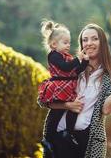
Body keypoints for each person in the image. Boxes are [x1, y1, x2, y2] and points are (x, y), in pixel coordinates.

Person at [38, 23, 111, 158]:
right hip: (58, 138)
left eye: (94, 39)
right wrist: (68, 105)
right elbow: (43, 101)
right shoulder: (71, 68)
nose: (89, 43)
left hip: (87, 140)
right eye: (85, 40)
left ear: (102, 43)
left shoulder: (108, 77)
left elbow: (107, 109)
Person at [38, 20, 89, 154]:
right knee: (56, 113)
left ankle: (69, 132)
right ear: (54, 44)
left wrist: (85, 62)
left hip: (69, 86)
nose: (68, 45)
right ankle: (47, 138)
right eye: (65, 42)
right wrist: (77, 59)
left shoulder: (68, 57)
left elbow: (76, 71)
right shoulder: (54, 56)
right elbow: (65, 67)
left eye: (69, 42)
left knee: (73, 110)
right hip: (59, 87)